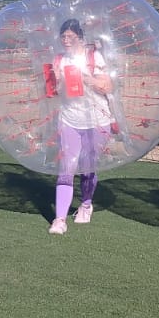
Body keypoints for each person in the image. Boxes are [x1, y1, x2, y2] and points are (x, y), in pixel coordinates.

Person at [42, 18, 116, 234]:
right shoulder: (59, 60)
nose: (66, 40)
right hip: (69, 119)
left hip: (97, 121)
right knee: (67, 167)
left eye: (70, 37)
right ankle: (60, 219)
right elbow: (53, 91)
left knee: (87, 166)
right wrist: (57, 80)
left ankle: (85, 204)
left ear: (80, 38)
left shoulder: (95, 57)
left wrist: (86, 78)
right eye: (63, 36)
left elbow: (107, 86)